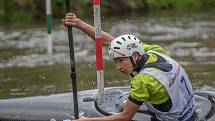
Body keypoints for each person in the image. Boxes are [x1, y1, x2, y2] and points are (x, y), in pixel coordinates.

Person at [62, 13, 198, 121]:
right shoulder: (154, 51)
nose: (118, 67)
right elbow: (110, 41)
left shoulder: (141, 81)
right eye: (116, 61)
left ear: (135, 56)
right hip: (191, 111)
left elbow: (125, 117)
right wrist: (79, 24)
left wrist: (89, 120)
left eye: (121, 60)